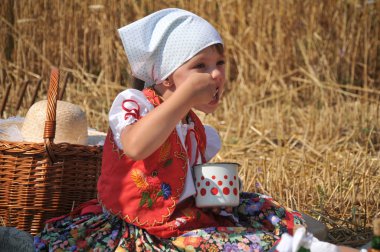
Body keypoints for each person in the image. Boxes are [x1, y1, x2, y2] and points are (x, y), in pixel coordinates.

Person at [34, 8, 356, 251]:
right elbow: (136, 146)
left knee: (257, 206)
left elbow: (185, 180)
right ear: (166, 78)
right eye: (200, 66)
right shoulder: (135, 104)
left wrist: (215, 197)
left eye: (219, 63)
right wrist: (185, 97)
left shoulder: (195, 126)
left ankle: (301, 239)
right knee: (221, 242)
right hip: (144, 226)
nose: (214, 74)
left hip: (189, 216)